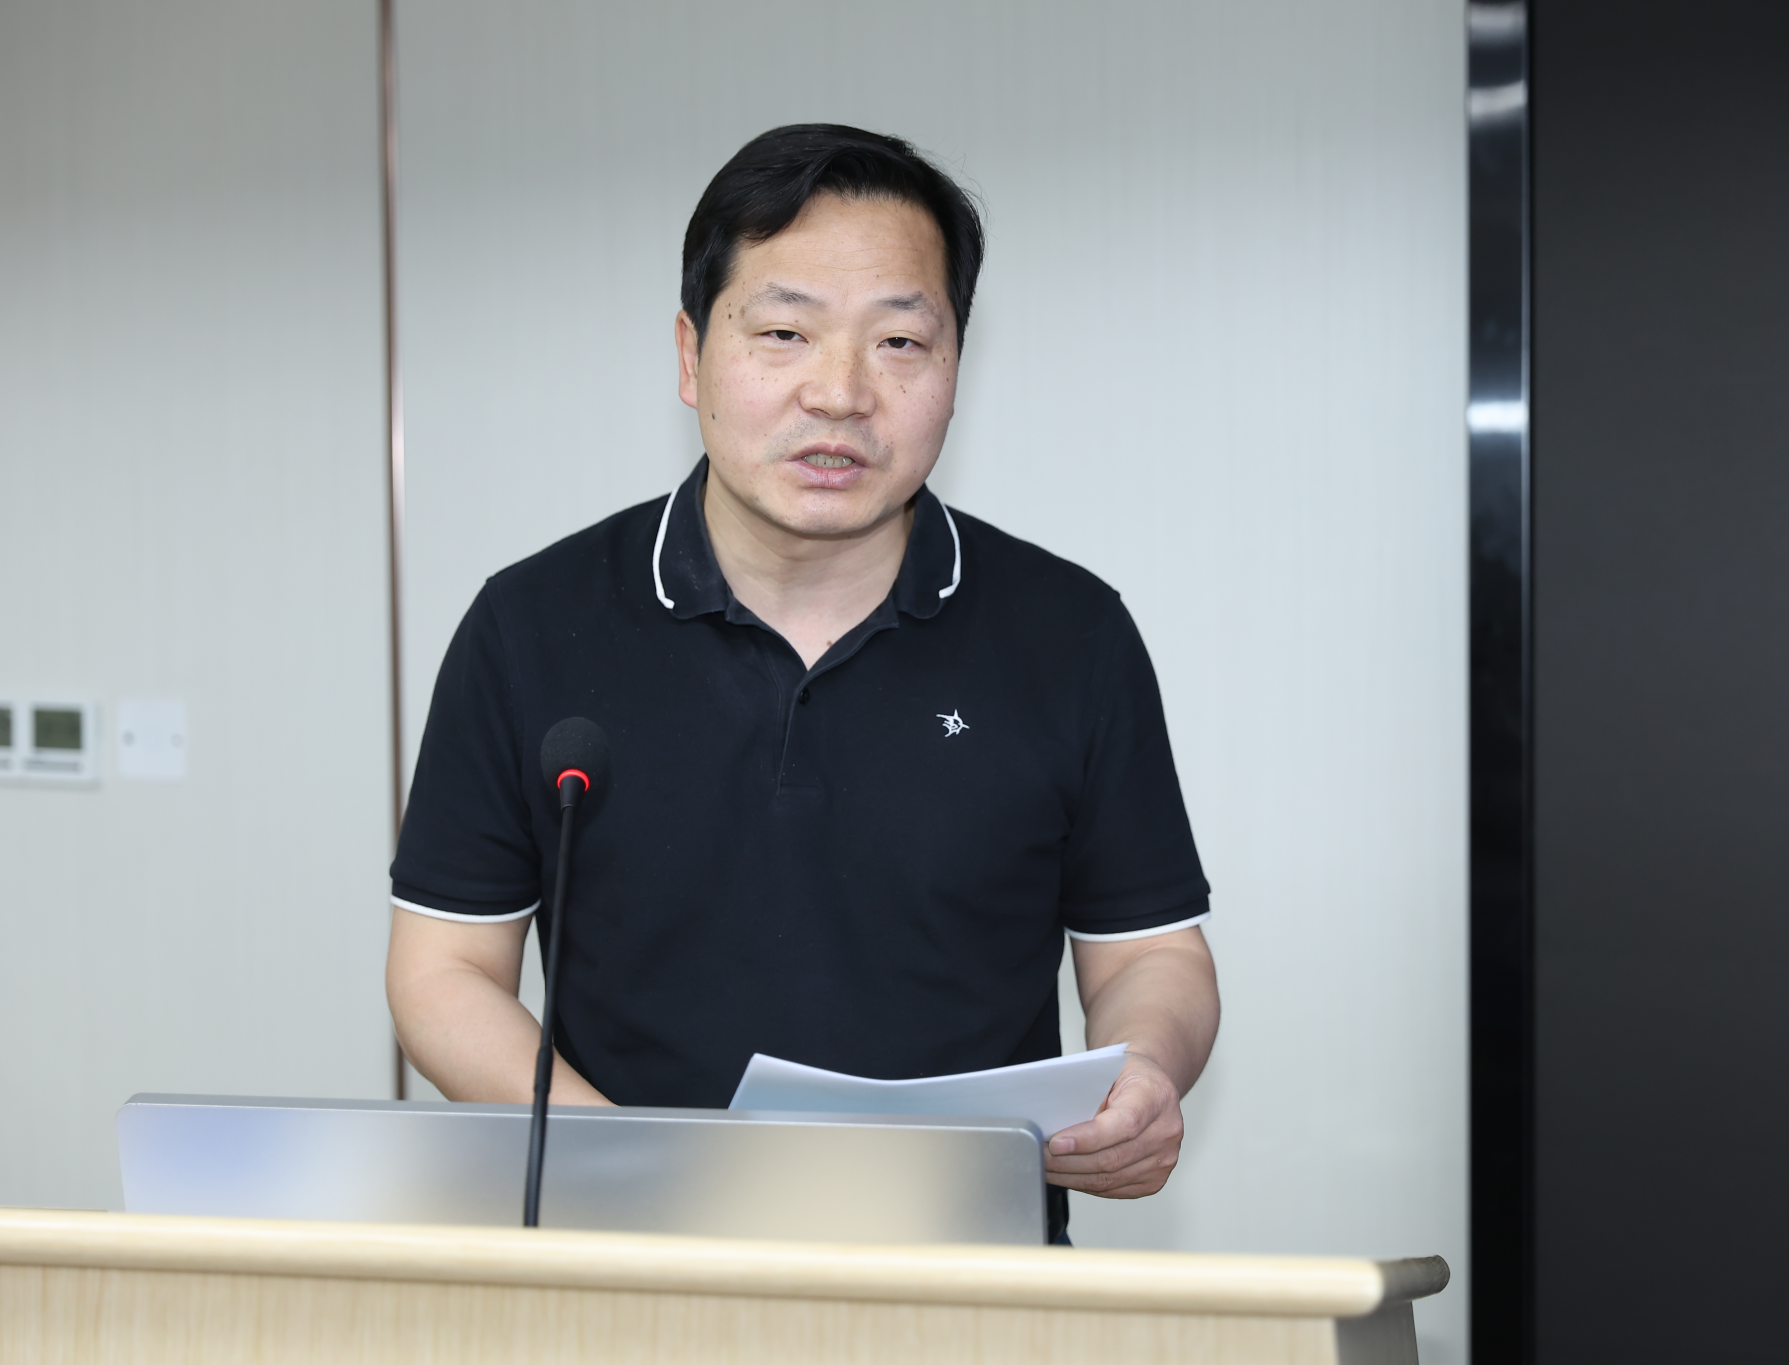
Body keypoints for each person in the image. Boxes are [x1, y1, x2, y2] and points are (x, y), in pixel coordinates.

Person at [385, 124, 1219, 1242]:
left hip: (976, 1274)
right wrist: (625, 1168)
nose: (839, 393)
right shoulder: (531, 625)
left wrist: (1147, 1070)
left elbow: (1152, 953)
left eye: (899, 342)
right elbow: (443, 971)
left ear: (955, 368)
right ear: (691, 355)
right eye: (783, 332)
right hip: (627, 1266)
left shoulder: (1070, 633)